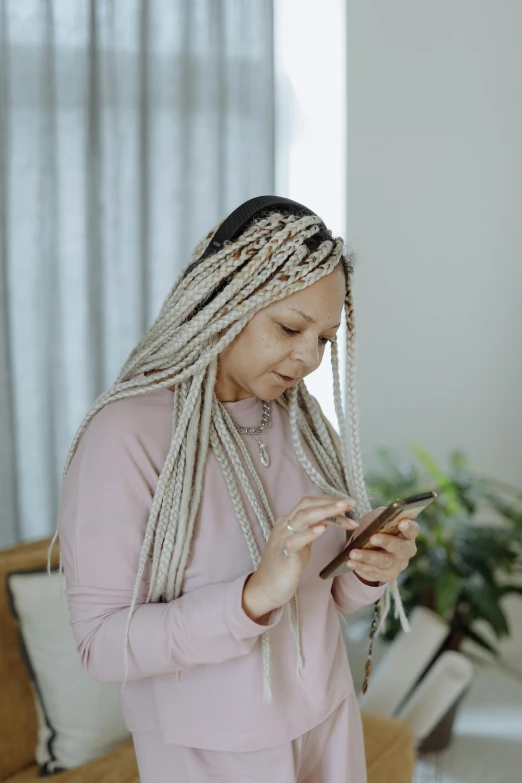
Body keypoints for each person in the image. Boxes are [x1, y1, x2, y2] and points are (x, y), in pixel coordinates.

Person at [50, 198, 420, 782]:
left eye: (324, 338)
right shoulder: (127, 433)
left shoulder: (299, 418)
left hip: (329, 722)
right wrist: (250, 597)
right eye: (290, 327)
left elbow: (329, 598)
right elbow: (102, 645)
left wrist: (369, 570)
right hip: (208, 752)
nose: (308, 358)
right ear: (226, 302)